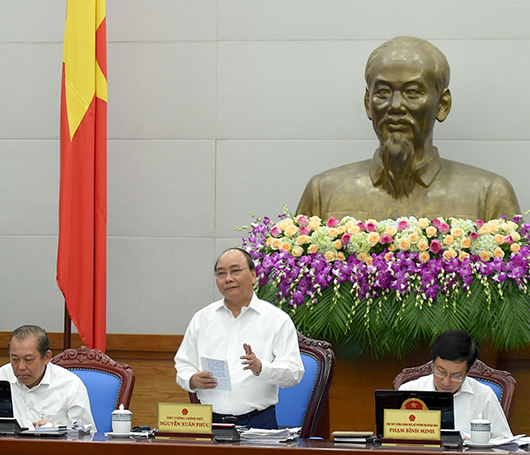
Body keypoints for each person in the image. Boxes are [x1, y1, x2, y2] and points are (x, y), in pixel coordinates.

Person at [297, 36, 520, 222]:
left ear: (442, 105)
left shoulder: (488, 195)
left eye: (412, 92)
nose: (395, 106)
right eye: (383, 92)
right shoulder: (323, 193)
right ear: (368, 103)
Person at [174, 248, 304, 429]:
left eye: (235, 271)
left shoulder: (276, 320)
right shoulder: (202, 319)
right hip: (208, 423)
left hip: (259, 424)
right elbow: (183, 364)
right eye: (221, 273)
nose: (228, 278)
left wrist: (262, 367)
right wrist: (191, 379)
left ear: (253, 275)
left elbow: (294, 373)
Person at [399, 330, 512, 439]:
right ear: (432, 365)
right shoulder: (409, 391)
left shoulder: (483, 395)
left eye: (456, 376)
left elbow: (505, 443)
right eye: (441, 372)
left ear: (467, 372)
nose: (446, 382)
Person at [0, 325, 96, 432]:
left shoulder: (71, 385)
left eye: (28, 360)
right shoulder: (2, 377)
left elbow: (87, 436)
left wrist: (56, 431)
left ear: (46, 358)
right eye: (15, 359)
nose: (21, 367)